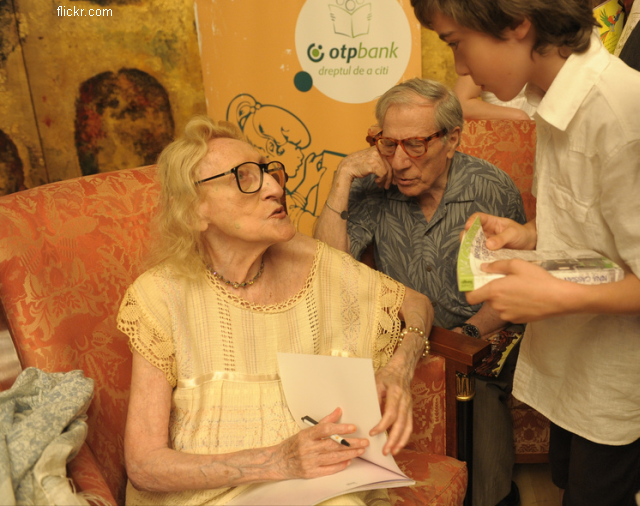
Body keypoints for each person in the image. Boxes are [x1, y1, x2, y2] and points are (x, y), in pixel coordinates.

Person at [117, 116, 434, 506]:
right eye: (245, 178)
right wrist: (276, 461)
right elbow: (144, 465)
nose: (274, 187)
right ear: (195, 209)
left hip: (319, 486)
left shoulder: (313, 261)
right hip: (208, 497)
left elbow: (416, 304)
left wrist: (399, 369)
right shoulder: (160, 295)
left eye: (270, 171)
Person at [411, 1, 640, 505]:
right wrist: (529, 233)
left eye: (455, 43)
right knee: (565, 483)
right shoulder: (551, 100)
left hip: (614, 382)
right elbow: (601, 221)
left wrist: (553, 297)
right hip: (569, 365)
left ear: (516, 24)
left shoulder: (621, 113)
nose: (462, 69)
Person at [313, 78, 526, 506]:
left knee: (476, 390)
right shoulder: (372, 187)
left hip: (479, 333)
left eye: (415, 144)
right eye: (387, 144)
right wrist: (342, 180)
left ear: (451, 140)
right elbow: (327, 271)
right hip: (403, 334)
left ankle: (492, 498)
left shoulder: (491, 188)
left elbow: (512, 284)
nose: (401, 161)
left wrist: (461, 337)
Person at [454, 75, 537, 120]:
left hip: (544, 129)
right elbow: (461, 105)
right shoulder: (481, 51)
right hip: (502, 132)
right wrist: (519, 116)